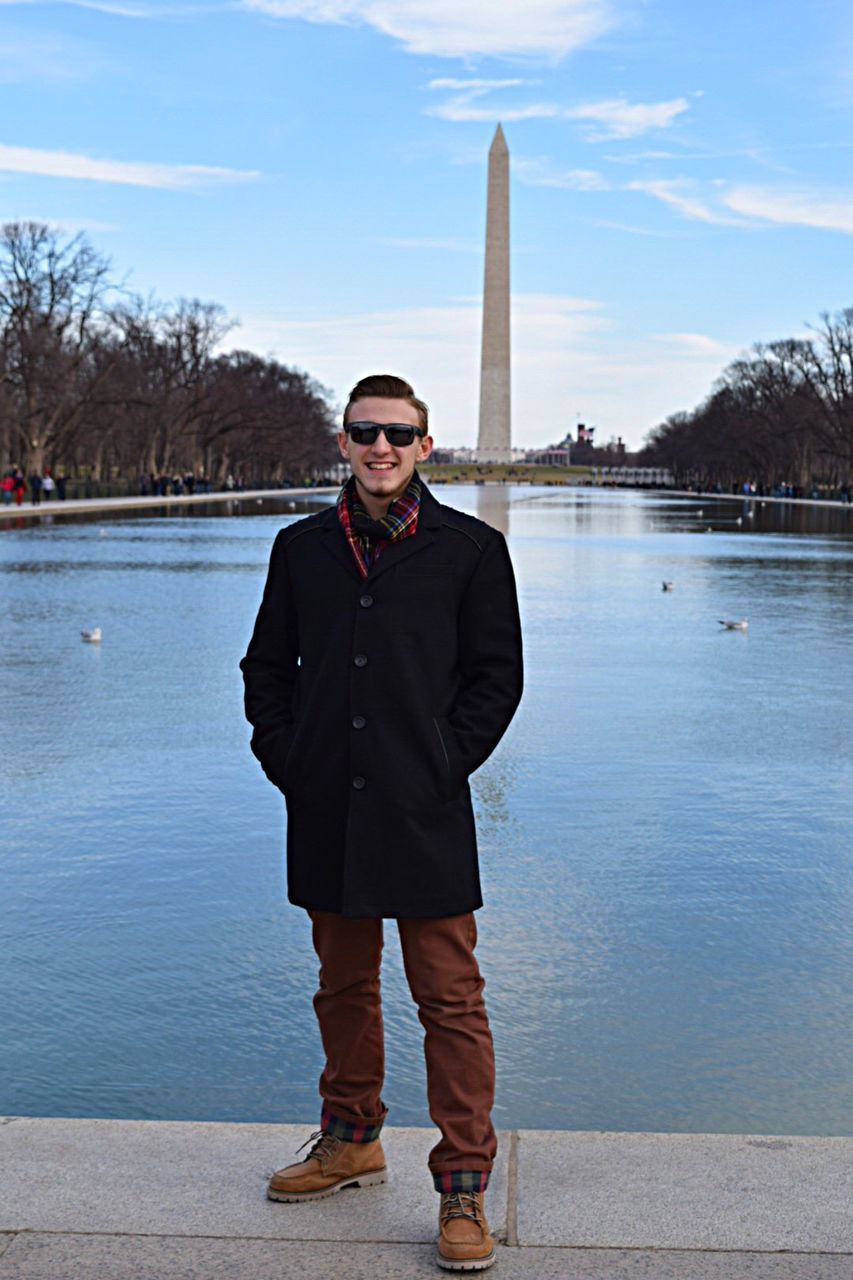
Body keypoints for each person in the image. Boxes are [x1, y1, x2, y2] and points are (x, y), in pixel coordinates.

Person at [240, 373, 523, 1273]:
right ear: (344, 441)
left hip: (423, 807)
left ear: (424, 446)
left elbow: (496, 680)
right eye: (366, 432)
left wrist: (441, 763)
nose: (381, 448)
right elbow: (265, 667)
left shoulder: (470, 550)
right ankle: (351, 1138)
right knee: (341, 985)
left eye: (398, 435)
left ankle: (462, 1183)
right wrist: (289, 758)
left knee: (449, 996)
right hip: (327, 802)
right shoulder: (300, 548)